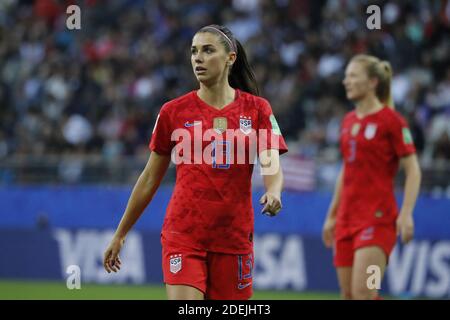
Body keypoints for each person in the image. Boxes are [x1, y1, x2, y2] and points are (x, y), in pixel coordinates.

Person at [103, 24, 288, 300]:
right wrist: (120, 233)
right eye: (194, 51)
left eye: (208, 50)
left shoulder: (258, 109)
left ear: (230, 58)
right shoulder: (172, 112)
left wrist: (273, 191)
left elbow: (270, 163)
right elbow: (150, 177)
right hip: (184, 234)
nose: (198, 58)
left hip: (234, 238)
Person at [322, 54, 421, 300]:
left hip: (378, 221)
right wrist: (332, 215)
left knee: (366, 291)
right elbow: (347, 170)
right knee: (349, 295)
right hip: (346, 220)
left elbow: (413, 170)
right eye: (346, 76)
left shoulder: (393, 122)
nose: (346, 81)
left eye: (353, 76)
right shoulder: (347, 121)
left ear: (373, 82)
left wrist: (406, 213)